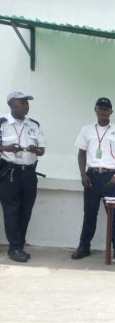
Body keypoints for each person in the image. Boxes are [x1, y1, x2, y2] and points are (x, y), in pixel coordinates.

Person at [71, 97, 115, 261]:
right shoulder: (86, 130)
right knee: (89, 214)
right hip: (91, 177)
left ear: (111, 112)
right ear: (95, 110)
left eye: (106, 109)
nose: (103, 112)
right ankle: (84, 247)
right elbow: (81, 153)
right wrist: (83, 175)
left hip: (110, 178)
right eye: (100, 109)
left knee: (114, 215)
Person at [0, 91, 46, 262]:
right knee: (11, 210)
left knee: (26, 210)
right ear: (12, 105)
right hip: (9, 173)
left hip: (29, 173)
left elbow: (42, 149)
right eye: (23, 103)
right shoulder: (2, 123)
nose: (27, 106)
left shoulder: (34, 124)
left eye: (27, 103)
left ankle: (19, 243)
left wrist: (37, 150)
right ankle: (14, 248)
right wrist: (6, 148)